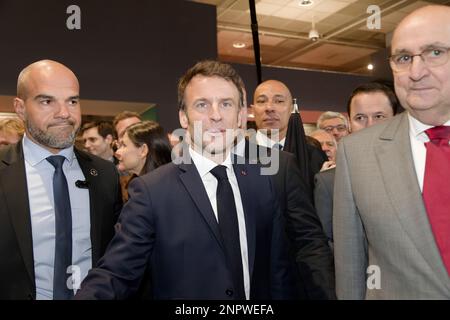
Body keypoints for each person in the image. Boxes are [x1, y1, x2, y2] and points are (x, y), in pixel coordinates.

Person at [75, 60, 295, 300]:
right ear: (183, 117)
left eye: (226, 104)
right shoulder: (152, 192)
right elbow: (116, 274)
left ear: (241, 115)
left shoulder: (262, 183)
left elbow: (278, 272)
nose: (215, 115)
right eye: (202, 104)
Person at [334, 5, 450, 299]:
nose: (416, 72)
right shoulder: (357, 153)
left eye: (435, 52)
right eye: (403, 58)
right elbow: (351, 269)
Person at [0, 60, 122, 300]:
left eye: (72, 101)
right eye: (47, 101)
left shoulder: (105, 174)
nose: (64, 113)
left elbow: (116, 256)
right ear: (20, 108)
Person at [314, 83, 398, 247]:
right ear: (350, 124)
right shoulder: (329, 182)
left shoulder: (419, 168)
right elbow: (328, 244)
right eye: (360, 118)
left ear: (396, 119)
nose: (370, 125)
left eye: (379, 116)